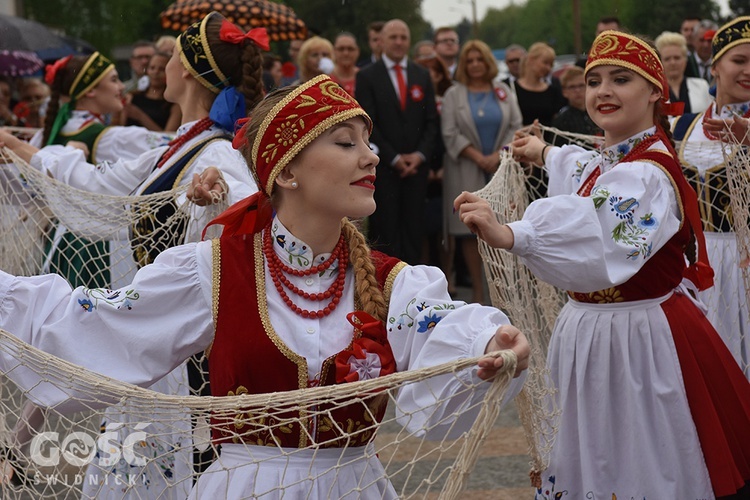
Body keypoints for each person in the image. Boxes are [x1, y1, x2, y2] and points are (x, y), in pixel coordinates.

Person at [0, 74, 531, 499]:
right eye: (346, 142)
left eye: (369, 142)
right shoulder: (213, 270)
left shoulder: (391, 280)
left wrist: (488, 340)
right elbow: (95, 322)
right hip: (245, 485)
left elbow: (441, 321)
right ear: (287, 173)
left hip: (356, 484)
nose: (370, 156)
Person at [456, 30, 750, 499]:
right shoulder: (614, 158)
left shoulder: (648, 172)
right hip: (601, 332)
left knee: (642, 447)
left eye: (620, 79)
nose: (602, 91)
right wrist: (544, 152)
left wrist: (512, 234)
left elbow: (600, 230)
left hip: (639, 338)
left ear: (655, 91)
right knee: (599, 444)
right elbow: (582, 167)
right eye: (593, 81)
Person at [0, 11, 266, 496]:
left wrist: (219, 195)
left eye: (169, 58)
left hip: (179, 358)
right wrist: (16, 144)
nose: (159, 66)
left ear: (184, 71)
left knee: (165, 469)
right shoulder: (179, 148)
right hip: (148, 344)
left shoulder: (215, 155)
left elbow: (249, 223)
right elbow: (100, 188)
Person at [673, 16, 750, 378]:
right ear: (715, 66)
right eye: (740, 60)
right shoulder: (682, 127)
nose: (749, 71)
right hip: (696, 264)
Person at [441, 40, 521, 304]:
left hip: (499, 170)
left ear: (488, 62)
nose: (475, 65)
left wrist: (497, 155)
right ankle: (478, 289)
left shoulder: (503, 90)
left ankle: (502, 291)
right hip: (466, 168)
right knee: (469, 229)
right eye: (470, 60)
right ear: (464, 65)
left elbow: (515, 124)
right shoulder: (454, 94)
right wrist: (478, 156)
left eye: (480, 59)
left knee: (501, 226)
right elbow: (450, 132)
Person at [355, 19, 440, 264]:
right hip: (384, 168)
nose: (399, 42)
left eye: (403, 37)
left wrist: (420, 155)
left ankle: (414, 289)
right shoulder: (368, 77)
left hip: (416, 169)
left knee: (415, 230)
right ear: (381, 41)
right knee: (386, 230)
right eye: (393, 37)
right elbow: (368, 122)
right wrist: (393, 158)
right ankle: (386, 291)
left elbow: (431, 121)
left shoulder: (421, 75)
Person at [655, 31, 711, 115]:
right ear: (659, 62)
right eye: (667, 59)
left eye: (677, 58)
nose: (673, 62)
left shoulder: (702, 86)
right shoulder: (654, 91)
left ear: (685, 60)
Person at [125, 51, 182, 131]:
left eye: (161, 69)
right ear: (147, 71)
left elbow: (169, 136)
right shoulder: (132, 97)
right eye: (152, 68)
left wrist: (140, 116)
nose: (156, 72)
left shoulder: (174, 104)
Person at [550, 65, 602, 142]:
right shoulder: (561, 120)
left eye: (581, 85)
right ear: (564, 92)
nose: (577, 90)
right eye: (572, 87)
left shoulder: (599, 112)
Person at [331, 32, 360, 96]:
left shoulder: (366, 78)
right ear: (333, 51)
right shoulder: (326, 80)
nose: (346, 53)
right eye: (341, 49)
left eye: (350, 49)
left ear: (358, 51)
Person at [692, 19, 719, 85]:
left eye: (710, 41)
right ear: (694, 40)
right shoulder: (685, 64)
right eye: (701, 40)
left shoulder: (720, 64)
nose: (706, 45)